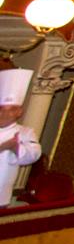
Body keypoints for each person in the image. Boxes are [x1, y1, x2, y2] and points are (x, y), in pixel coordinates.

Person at [0, 69, 39, 205]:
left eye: (10, 110)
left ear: (19, 112)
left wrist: (15, 147)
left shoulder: (25, 132)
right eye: (1, 109)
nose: (4, 114)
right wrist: (3, 147)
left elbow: (34, 155)